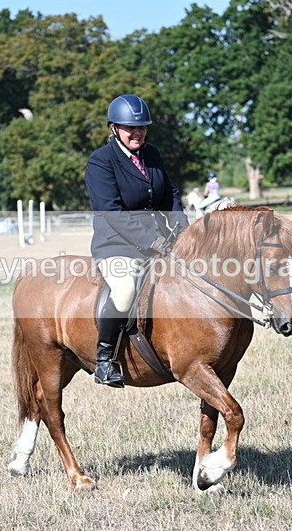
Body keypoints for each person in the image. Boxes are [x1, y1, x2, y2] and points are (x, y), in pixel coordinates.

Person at [85, 94, 189, 388]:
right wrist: (152, 241)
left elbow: (169, 195)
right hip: (116, 244)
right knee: (126, 288)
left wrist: (182, 228)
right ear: (113, 128)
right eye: (129, 127)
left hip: (159, 241)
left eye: (142, 127)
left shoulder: (152, 154)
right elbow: (111, 212)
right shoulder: (101, 161)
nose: (137, 132)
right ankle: (105, 359)